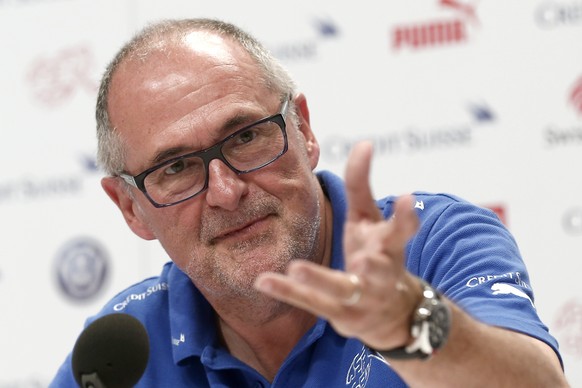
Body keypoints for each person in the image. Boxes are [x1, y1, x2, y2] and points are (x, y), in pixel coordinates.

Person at [51, 18, 568, 387]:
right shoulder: (122, 352)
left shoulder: (431, 244)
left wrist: (409, 327)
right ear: (131, 208)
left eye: (247, 137)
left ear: (304, 129)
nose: (227, 193)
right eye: (176, 168)